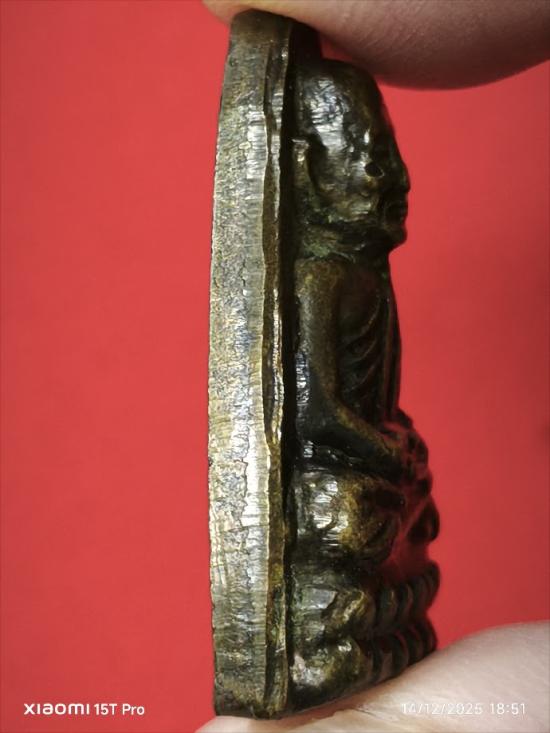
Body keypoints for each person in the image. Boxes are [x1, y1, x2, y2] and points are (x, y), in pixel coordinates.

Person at [200, 2, 550, 731]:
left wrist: (401, 446)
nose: (391, 177)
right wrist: (385, 451)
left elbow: (372, 405)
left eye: (389, 156)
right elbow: (317, 411)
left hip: (371, 464)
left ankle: (366, 613)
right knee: (344, 516)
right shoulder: (322, 280)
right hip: (342, 476)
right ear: (310, 168)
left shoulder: (366, 276)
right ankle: (340, 624)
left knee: (411, 509)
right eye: (364, 153)